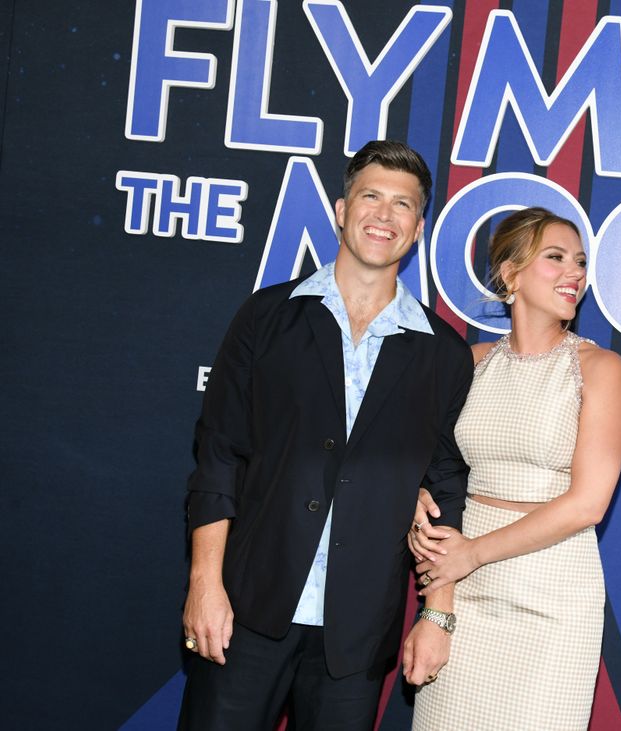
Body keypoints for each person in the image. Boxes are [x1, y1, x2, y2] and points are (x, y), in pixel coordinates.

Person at [178, 140, 473, 730]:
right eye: (370, 196)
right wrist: (204, 583)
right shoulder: (265, 318)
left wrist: (436, 614)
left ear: (417, 229)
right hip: (246, 609)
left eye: (403, 205)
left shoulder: (443, 354)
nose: (383, 216)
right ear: (341, 210)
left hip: (357, 634)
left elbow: (445, 492)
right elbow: (218, 458)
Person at [406, 207, 621, 730]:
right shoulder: (472, 363)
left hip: (551, 596)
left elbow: (588, 504)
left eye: (579, 261)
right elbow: (439, 476)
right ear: (511, 274)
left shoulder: (600, 369)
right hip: (463, 591)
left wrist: (472, 554)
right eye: (555, 258)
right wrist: (416, 497)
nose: (574, 272)